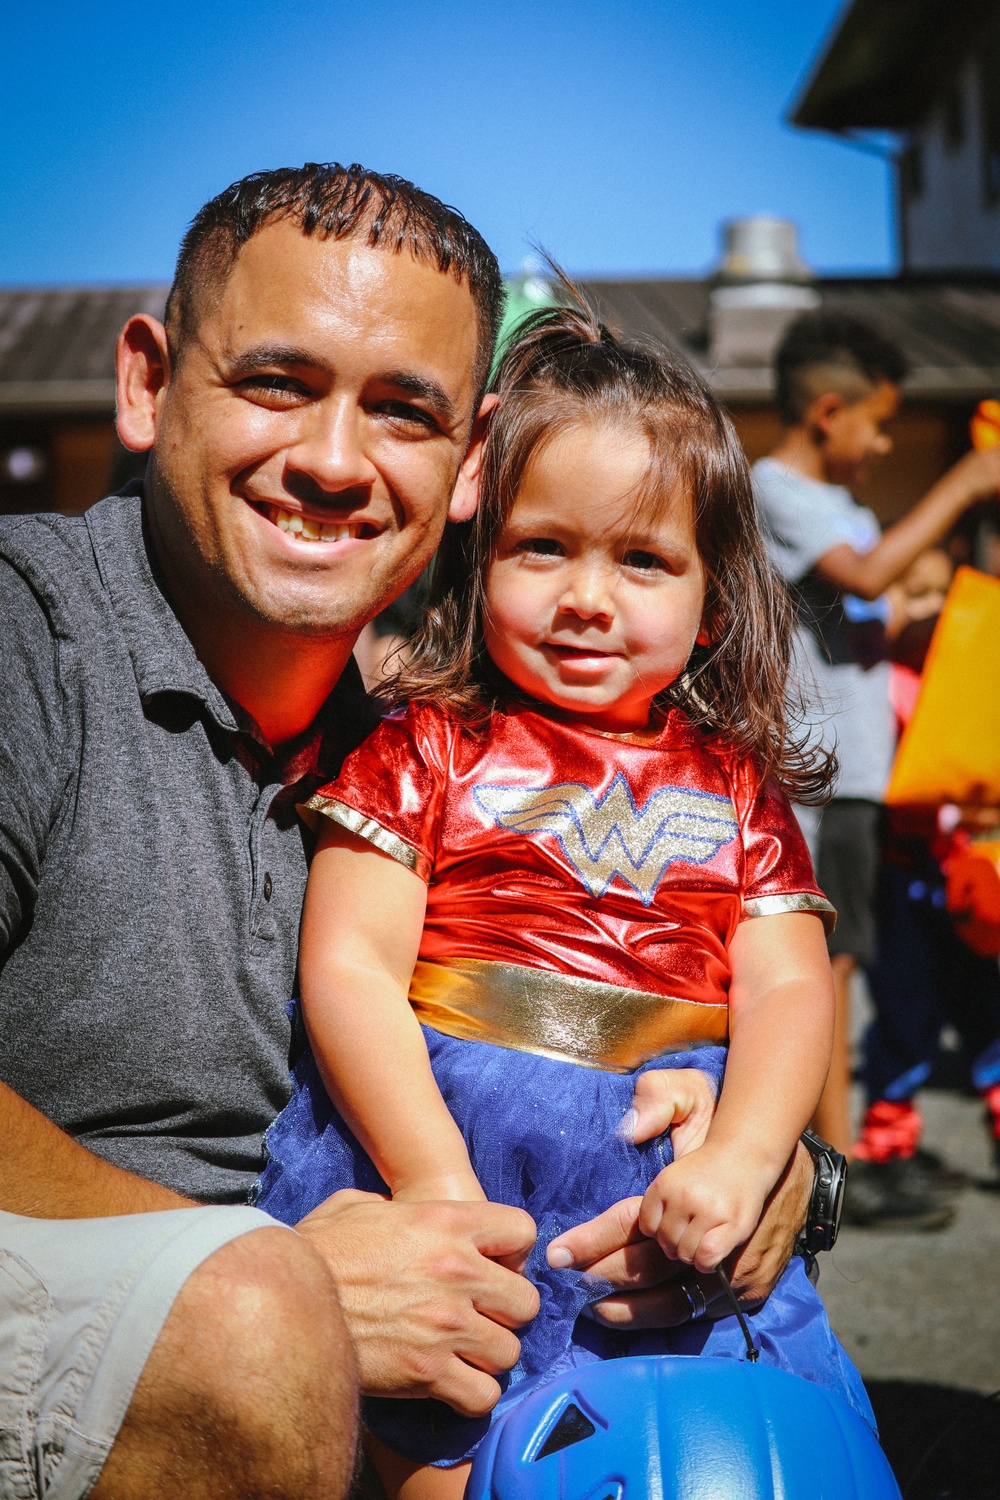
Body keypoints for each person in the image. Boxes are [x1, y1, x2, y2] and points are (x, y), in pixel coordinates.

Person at [0, 165, 816, 1500]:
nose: (331, 461)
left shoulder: (426, 731)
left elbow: (744, 986)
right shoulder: (24, 643)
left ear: (469, 463)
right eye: (276, 381)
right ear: (147, 385)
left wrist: (767, 1162)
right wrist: (272, 1278)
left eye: (401, 411)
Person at [256, 302, 869, 1498]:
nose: (587, 595)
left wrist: (746, 1158)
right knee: (442, 1446)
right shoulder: (428, 745)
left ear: (714, 596)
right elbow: (348, 966)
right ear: (479, 559)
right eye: (543, 548)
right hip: (439, 1140)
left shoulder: (737, 789)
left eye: (642, 560)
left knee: (725, 1443)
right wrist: (432, 1176)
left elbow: (791, 983)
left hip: (664, 1176)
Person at [753, 312, 1000, 1196]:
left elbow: (877, 608)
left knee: (845, 960)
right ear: (829, 412)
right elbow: (865, 578)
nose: (885, 441)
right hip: (814, 773)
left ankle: (848, 1152)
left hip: (860, 777)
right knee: (822, 965)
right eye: (879, 424)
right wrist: (965, 482)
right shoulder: (775, 488)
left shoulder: (847, 510)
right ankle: (835, 1167)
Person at [849, 551, 1000, 1225]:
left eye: (941, 592)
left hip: (968, 879)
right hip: (903, 880)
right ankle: (888, 1144)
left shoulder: (970, 681)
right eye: (914, 590)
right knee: (905, 1014)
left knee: (988, 1012)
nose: (931, 605)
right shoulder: (882, 685)